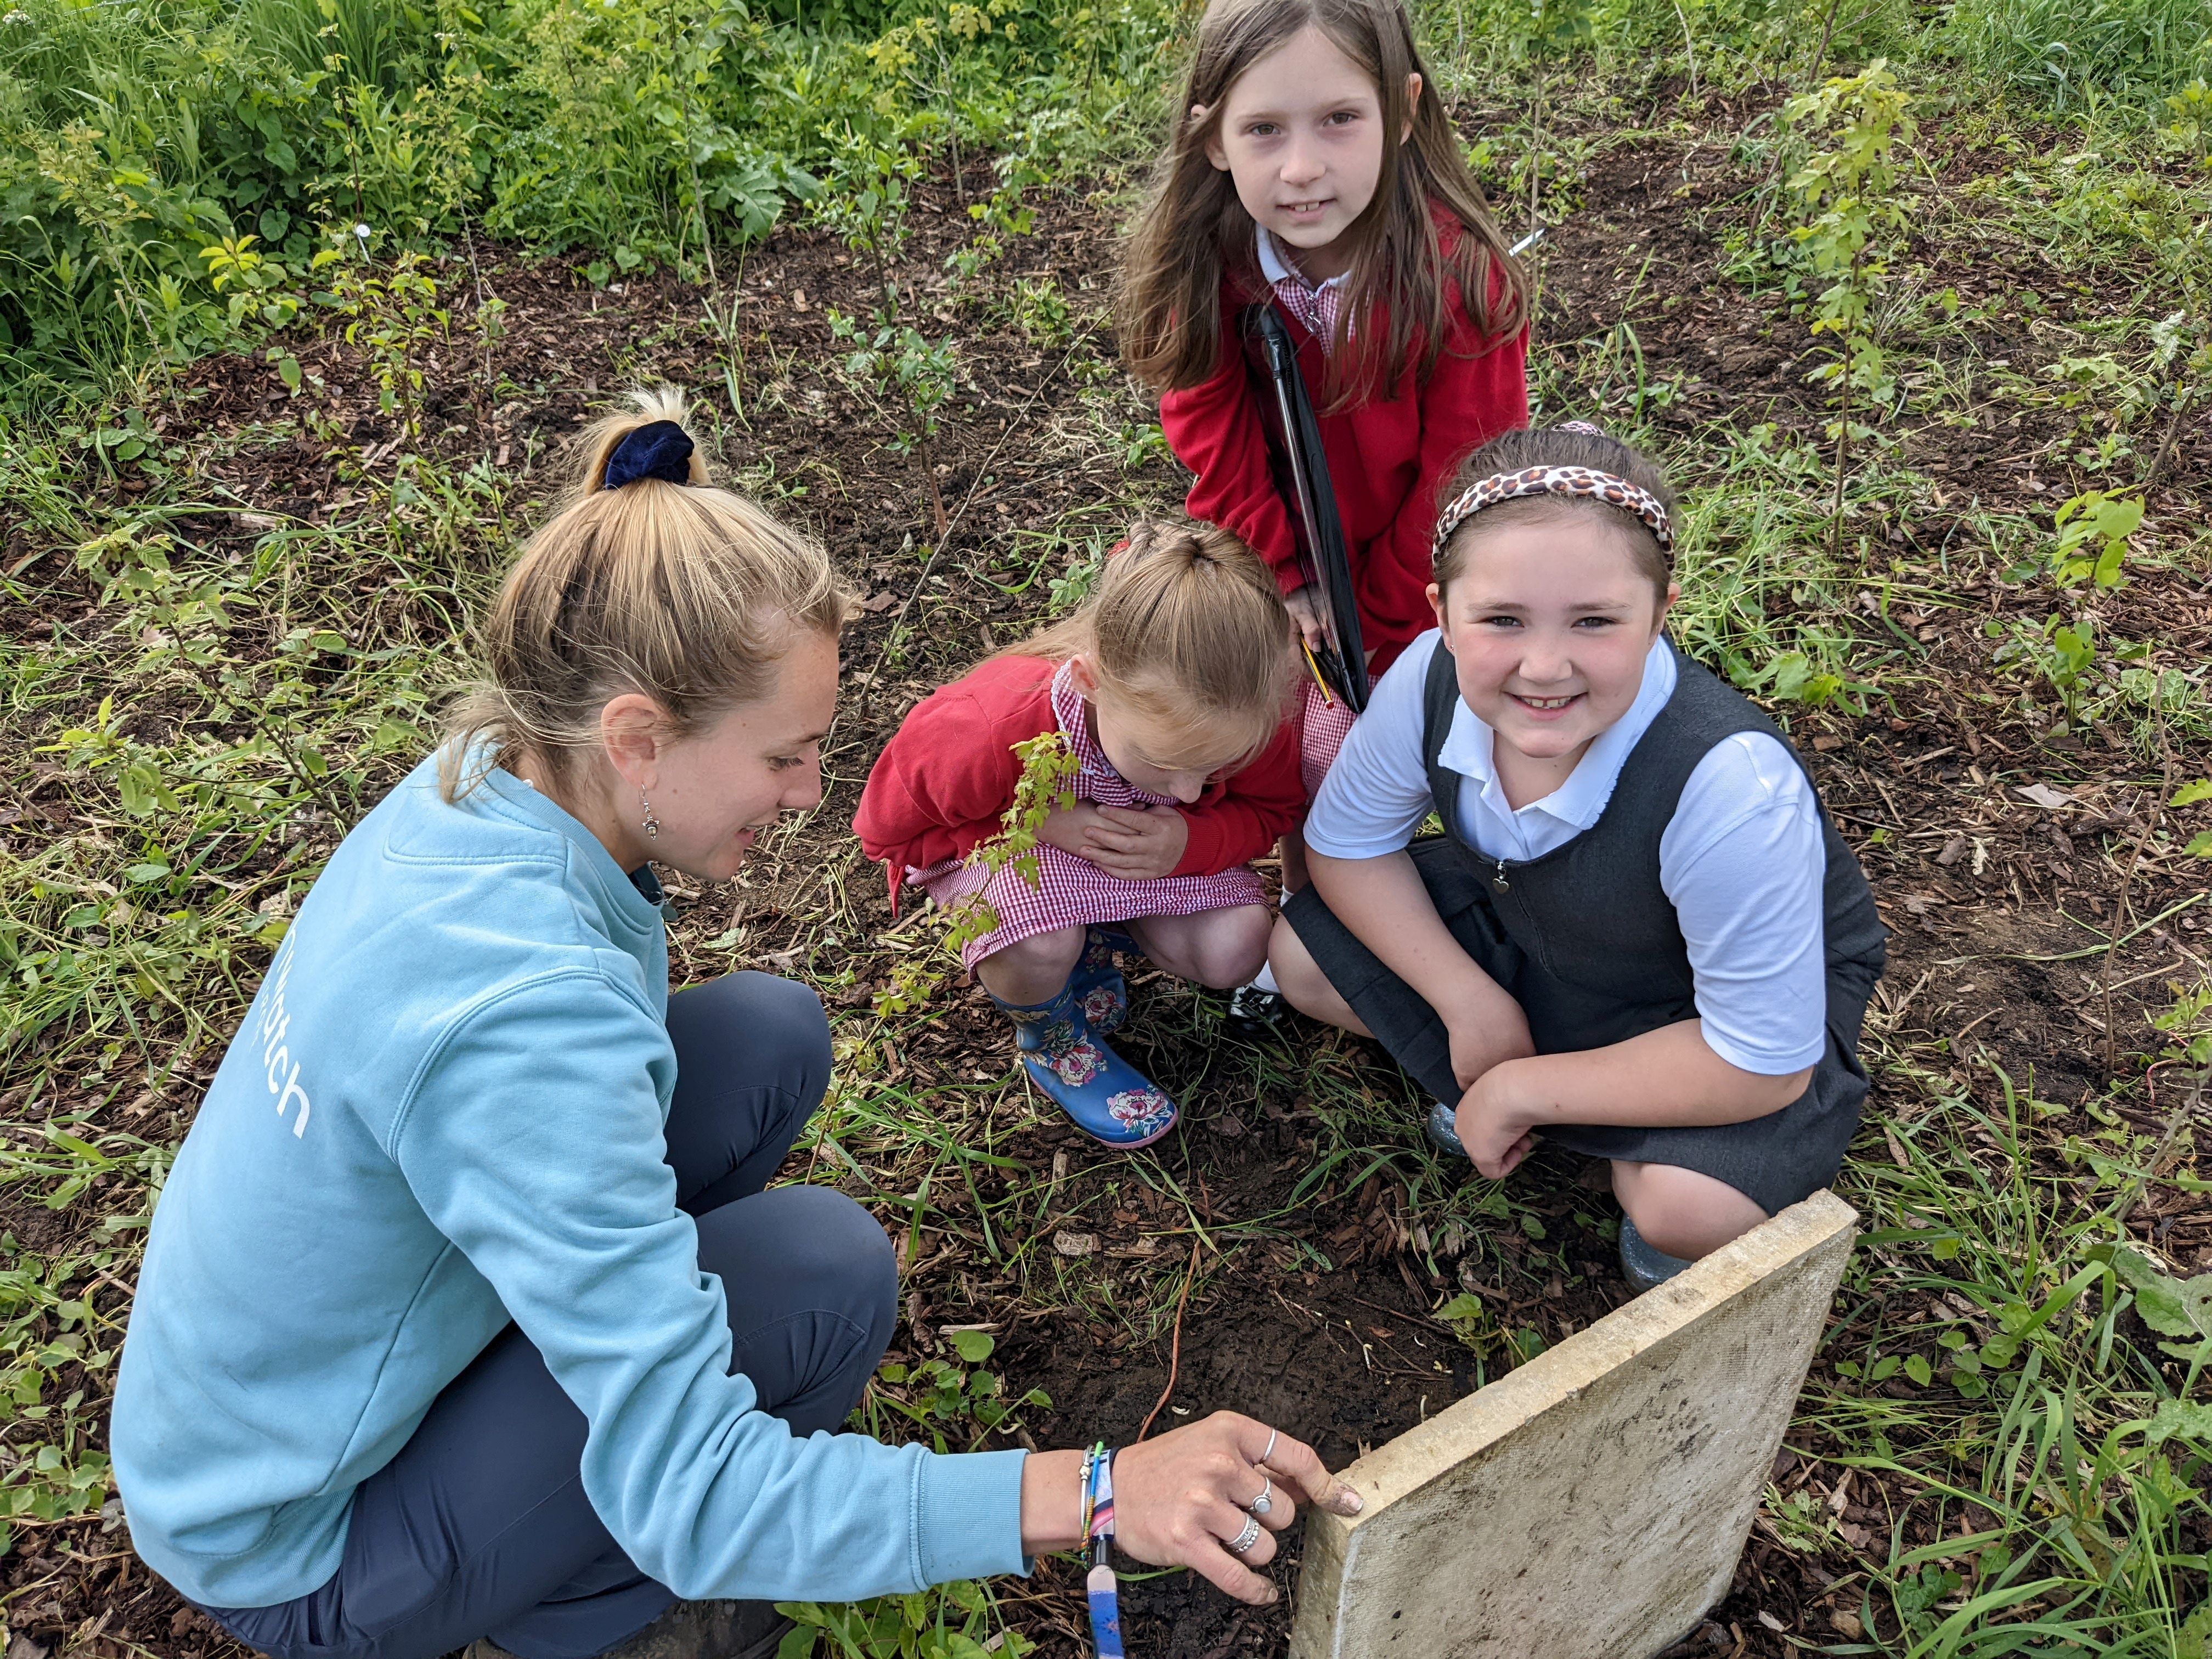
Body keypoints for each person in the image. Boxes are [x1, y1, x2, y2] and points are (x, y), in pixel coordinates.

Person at [108, 392, 1360, 1659]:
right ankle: (601, 1616)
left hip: (260, 1396)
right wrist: (1096, 1492)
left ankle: (566, 1422)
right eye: (784, 757)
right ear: (638, 738)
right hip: (304, 1544)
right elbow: (695, 1485)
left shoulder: (487, 778)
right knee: (818, 1275)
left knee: (767, 1036)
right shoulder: (527, 1024)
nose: (816, 794)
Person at [1265, 424, 1887, 1291]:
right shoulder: (1428, 675)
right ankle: (1536, 1069)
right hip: (1542, 926)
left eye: (1595, 621)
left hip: (1699, 1009)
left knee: (1685, 1207)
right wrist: (1468, 999)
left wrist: (1518, 1090)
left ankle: (1568, 1117)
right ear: (1440, 613)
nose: (1545, 666)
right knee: (1302, 958)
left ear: (1661, 615)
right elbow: (1348, 844)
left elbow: (1761, 1060)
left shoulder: (1730, 786)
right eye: (1502, 620)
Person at [1118, 0, 1532, 742]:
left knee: (1400, 746)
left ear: (1402, 111)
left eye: (1340, 118)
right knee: (1246, 722)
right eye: (1263, 129)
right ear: (1212, 136)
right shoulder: (1210, 265)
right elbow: (1211, 434)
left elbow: (1464, 479)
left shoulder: (1459, 280)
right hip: (1275, 555)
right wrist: (1281, 572)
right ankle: (1279, 842)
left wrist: (1364, 615)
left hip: (1423, 578)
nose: (1302, 168)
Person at [855, 521, 1305, 1150]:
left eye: (1214, 771)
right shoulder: (992, 724)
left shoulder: (1242, 711)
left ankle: (1092, 947)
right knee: (1042, 945)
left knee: (1239, 945)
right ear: (1092, 682)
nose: (1186, 794)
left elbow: (1273, 807)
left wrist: (1190, 842)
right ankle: (1052, 1038)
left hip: (1145, 863)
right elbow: (886, 829)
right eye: (1166, 764)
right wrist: (1032, 819)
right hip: (1018, 853)